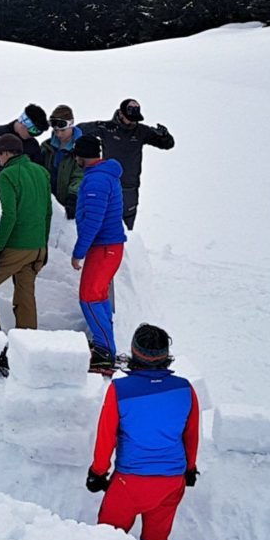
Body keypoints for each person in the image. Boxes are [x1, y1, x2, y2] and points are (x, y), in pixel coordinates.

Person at [86, 324, 201, 540]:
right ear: (166, 355)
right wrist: (189, 469)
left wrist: (98, 473)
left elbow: (106, 436)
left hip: (129, 484)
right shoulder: (185, 389)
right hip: (171, 483)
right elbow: (191, 435)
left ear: (134, 352)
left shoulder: (120, 389)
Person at [0, 133, 52, 373]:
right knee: (25, 296)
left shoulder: (7, 175)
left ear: (6, 153)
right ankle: (26, 351)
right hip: (37, 247)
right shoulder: (41, 172)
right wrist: (44, 246)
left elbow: (9, 215)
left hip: (16, 246)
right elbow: (48, 212)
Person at [70, 134, 126, 373]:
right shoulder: (102, 175)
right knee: (98, 297)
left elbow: (93, 220)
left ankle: (104, 353)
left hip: (104, 248)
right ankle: (106, 347)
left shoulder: (97, 181)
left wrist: (78, 252)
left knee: (89, 298)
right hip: (108, 247)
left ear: (81, 156)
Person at [80, 99, 174, 230]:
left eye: (135, 119)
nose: (133, 122)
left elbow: (168, 145)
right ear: (120, 114)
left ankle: (126, 249)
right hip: (109, 184)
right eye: (130, 118)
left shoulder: (141, 131)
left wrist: (165, 137)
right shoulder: (106, 128)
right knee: (104, 223)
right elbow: (78, 130)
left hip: (130, 186)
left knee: (127, 226)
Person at [0, 104, 48, 212]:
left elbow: (37, 171)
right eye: (33, 131)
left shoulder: (33, 145)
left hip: (22, 201)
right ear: (24, 122)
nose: (33, 136)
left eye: (38, 133)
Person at [40, 104, 86, 219]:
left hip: (68, 205)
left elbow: (80, 176)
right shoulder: (46, 147)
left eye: (62, 130)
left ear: (71, 124)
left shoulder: (82, 149)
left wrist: (73, 196)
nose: (59, 134)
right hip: (47, 203)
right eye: (55, 131)